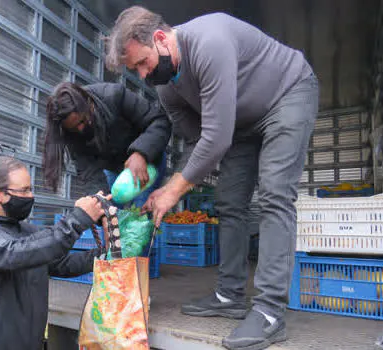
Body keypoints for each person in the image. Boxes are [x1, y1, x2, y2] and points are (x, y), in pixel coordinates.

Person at [105, 7, 319, 350]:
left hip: (287, 95)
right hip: (241, 124)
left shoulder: (209, 41)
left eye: (144, 63)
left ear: (160, 38)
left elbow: (216, 137)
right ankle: (230, 295)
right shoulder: (166, 89)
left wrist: (173, 192)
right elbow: (197, 142)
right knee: (229, 202)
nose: (145, 75)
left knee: (275, 195)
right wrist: (163, 189)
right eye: (136, 71)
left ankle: (269, 311)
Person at [0, 156, 108, 350]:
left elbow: (63, 264)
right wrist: (78, 219)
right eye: (24, 190)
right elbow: (13, 253)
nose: (30, 196)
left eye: (30, 189)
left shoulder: (27, 232)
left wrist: (107, 254)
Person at [43, 82, 171, 208]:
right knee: (107, 208)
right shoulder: (70, 132)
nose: (80, 128)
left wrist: (141, 153)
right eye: (74, 127)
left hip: (149, 159)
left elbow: (159, 121)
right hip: (115, 169)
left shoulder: (114, 95)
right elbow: (90, 173)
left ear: (89, 104)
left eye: (82, 121)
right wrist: (100, 207)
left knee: (141, 211)